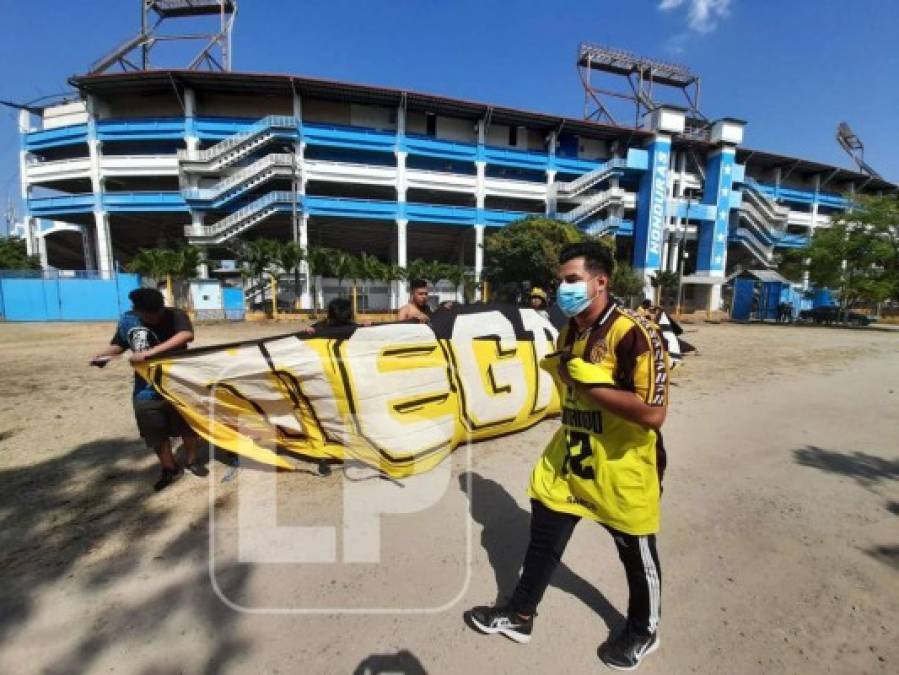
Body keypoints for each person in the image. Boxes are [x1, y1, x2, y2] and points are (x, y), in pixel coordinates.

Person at [466, 242, 670, 671]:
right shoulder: (569, 331)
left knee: (635, 551)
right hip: (574, 454)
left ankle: (642, 629)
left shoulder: (636, 332)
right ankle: (520, 615)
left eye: (572, 279)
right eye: (561, 280)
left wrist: (592, 385)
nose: (563, 288)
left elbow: (654, 414)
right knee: (543, 534)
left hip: (622, 463)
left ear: (601, 282)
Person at [91, 287, 207, 491]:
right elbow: (120, 344)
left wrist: (151, 353)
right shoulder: (128, 320)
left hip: (178, 382)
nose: (155, 318)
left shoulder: (175, 315)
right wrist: (104, 356)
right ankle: (169, 468)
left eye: (158, 313)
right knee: (154, 430)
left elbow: (186, 335)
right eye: (149, 315)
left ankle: (192, 461)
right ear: (137, 311)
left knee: (187, 425)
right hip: (145, 387)